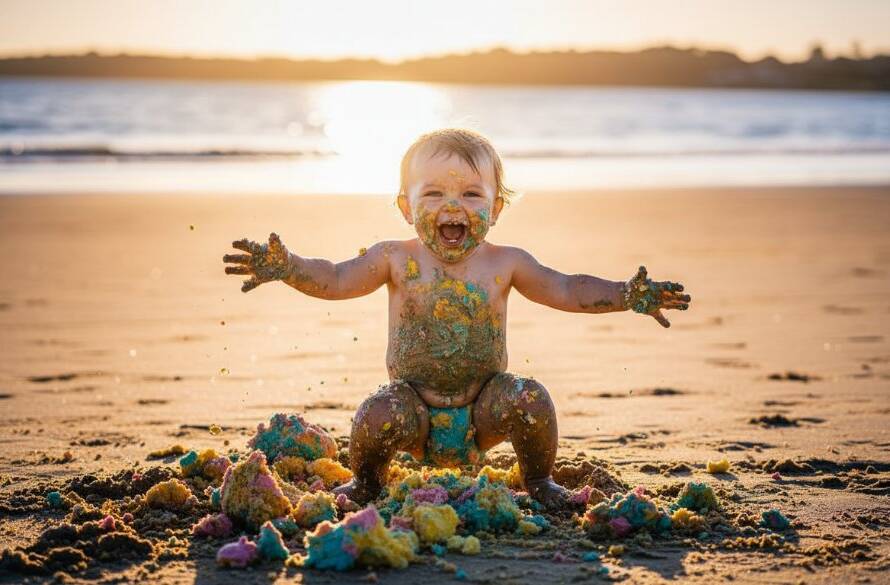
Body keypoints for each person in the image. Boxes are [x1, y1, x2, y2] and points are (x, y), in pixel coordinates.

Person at [223, 128, 691, 508]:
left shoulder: (505, 263)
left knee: (530, 398)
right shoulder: (392, 258)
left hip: (484, 412)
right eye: (433, 194)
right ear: (406, 208)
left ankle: (540, 480)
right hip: (414, 415)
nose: (453, 206)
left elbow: (567, 287)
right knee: (376, 412)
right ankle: (366, 482)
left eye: (471, 193)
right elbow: (336, 278)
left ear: (496, 208)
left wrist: (626, 294)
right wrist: (289, 268)